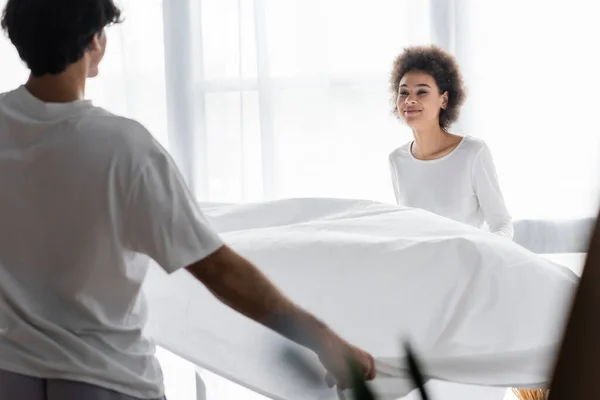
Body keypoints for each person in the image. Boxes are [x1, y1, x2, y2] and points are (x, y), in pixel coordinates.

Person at [0, 1, 375, 399]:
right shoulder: (124, 147)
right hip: (106, 380)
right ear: (95, 39)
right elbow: (219, 271)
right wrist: (324, 340)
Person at [388, 45, 514, 239]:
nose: (410, 100)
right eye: (403, 92)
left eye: (422, 92)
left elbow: (502, 224)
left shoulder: (473, 153)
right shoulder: (397, 160)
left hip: (467, 265)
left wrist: (482, 257)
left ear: (444, 100)